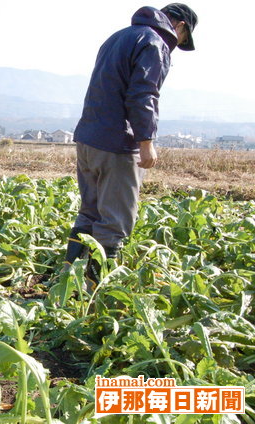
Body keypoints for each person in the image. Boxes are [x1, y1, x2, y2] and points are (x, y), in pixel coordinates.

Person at [64, 4, 198, 287]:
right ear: (181, 27)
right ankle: (92, 292)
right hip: (117, 144)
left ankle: (65, 283)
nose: (176, 46)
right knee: (115, 222)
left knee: (89, 213)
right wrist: (146, 142)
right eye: (182, 41)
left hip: (89, 138)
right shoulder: (155, 43)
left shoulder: (119, 36)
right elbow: (143, 95)